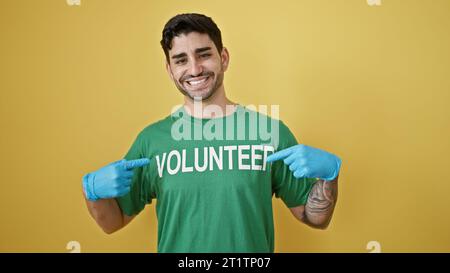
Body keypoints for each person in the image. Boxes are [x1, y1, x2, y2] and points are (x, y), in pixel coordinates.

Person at [82, 13, 341, 253]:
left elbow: (315, 218)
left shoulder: (270, 133)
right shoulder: (151, 141)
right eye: (181, 60)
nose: (194, 69)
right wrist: (91, 191)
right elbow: (112, 222)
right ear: (169, 69)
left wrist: (329, 176)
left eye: (204, 55)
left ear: (224, 58)